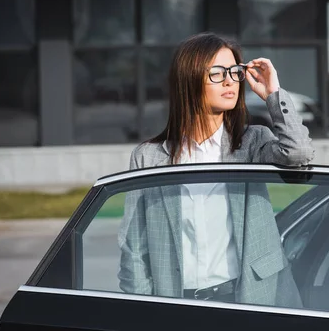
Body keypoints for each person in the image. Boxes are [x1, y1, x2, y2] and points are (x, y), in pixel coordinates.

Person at [117, 32, 314, 308]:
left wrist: (273, 95)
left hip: (254, 298)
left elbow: (299, 153)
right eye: (217, 73)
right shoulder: (148, 157)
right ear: (189, 80)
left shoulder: (252, 142)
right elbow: (133, 248)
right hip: (177, 305)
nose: (230, 81)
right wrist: (145, 309)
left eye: (235, 72)